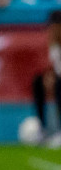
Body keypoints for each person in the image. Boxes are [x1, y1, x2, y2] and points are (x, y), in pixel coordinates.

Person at [22, 9, 61, 145]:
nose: (51, 30)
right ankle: (42, 128)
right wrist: (48, 75)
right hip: (57, 76)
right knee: (37, 81)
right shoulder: (52, 44)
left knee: (59, 86)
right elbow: (50, 65)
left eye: (54, 27)